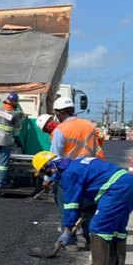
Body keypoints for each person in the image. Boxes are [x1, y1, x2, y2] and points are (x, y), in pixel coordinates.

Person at [32, 151, 132, 265]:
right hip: (127, 184)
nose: (49, 177)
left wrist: (67, 230)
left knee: (98, 228)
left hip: (115, 189)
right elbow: (95, 183)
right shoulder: (75, 165)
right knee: (116, 228)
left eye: (47, 173)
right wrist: (90, 207)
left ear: (50, 167)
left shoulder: (68, 174)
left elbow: (71, 205)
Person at [45, 97, 105, 247]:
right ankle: (91, 240)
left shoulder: (60, 130)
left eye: (57, 113)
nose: (56, 116)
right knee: (88, 209)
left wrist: (48, 178)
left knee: (67, 206)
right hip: (90, 172)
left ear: (60, 112)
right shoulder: (88, 125)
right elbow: (96, 147)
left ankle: (69, 238)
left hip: (69, 174)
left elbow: (55, 159)